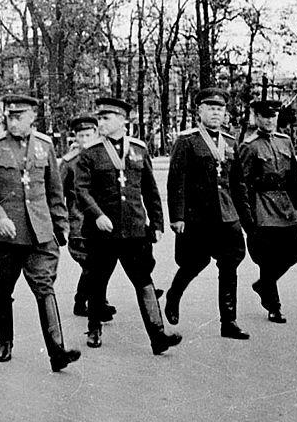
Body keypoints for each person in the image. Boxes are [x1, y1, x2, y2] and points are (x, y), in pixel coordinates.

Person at [0, 94, 81, 372]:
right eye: (9, 116)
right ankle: (5, 341)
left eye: (19, 116)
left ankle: (57, 351)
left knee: (44, 287)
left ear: (33, 116)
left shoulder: (44, 146)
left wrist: (61, 226)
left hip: (38, 233)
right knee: (2, 291)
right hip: (3, 237)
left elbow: (54, 191)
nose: (13, 122)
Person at [74, 96, 181, 354]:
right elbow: (82, 190)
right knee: (99, 279)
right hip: (103, 231)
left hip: (134, 229)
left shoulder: (139, 150)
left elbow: (150, 190)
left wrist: (156, 223)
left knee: (143, 279)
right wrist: (97, 214)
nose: (101, 123)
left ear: (123, 120)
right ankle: (94, 328)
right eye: (99, 118)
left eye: (106, 118)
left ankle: (158, 335)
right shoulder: (90, 153)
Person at [164, 88, 250, 339]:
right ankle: (174, 295)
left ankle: (229, 321)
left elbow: (238, 184)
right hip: (198, 218)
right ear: (199, 111)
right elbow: (175, 181)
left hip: (227, 216)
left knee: (230, 265)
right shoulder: (187, 141)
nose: (215, 112)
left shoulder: (231, 142)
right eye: (210, 108)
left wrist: (245, 218)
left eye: (220, 109)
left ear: (225, 113)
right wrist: (177, 216)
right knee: (194, 263)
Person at [235, 100, 297, 324]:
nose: (269, 121)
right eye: (265, 116)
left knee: (295, 251)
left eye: (273, 116)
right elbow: (241, 184)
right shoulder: (249, 146)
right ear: (256, 117)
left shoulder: (285, 142)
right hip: (262, 205)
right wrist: (248, 218)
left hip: (284, 205)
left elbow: (294, 176)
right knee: (267, 257)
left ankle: (263, 285)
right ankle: (274, 305)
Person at [59, 114, 116, 320]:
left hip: (101, 221)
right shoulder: (69, 162)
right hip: (78, 223)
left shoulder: (103, 156)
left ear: (96, 133)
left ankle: (85, 301)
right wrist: (61, 223)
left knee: (98, 265)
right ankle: (96, 303)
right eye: (80, 135)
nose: (85, 139)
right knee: (92, 265)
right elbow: (58, 194)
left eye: (89, 134)